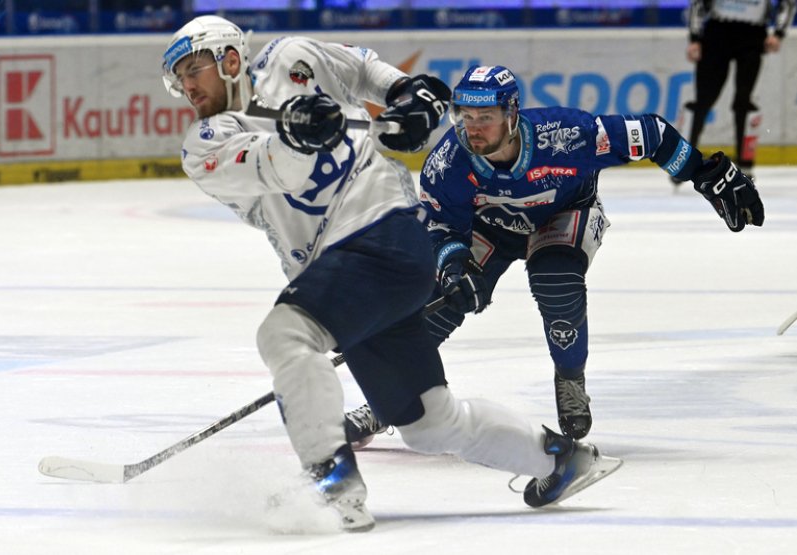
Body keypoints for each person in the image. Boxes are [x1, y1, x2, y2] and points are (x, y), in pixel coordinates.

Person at [162, 16, 623, 532]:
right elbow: (281, 168)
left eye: (192, 69)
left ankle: (331, 484)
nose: (186, 85)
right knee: (429, 423)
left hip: (384, 233)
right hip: (350, 276)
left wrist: (410, 94)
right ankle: (560, 461)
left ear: (229, 59)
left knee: (287, 333)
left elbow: (363, 71)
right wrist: (297, 133)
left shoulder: (294, 55)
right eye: (178, 77)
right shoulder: (203, 145)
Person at [345, 64, 765, 447]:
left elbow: (650, 134)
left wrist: (704, 173)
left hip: (564, 214)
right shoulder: (448, 162)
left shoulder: (565, 134)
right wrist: (454, 269)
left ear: (512, 114)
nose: (473, 129)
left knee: (556, 283)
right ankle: (388, 401)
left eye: (485, 118)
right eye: (465, 117)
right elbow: (441, 227)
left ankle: (570, 377)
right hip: (489, 226)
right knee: (431, 301)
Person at [682, 0, 796, 178]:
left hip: (752, 34)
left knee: (744, 101)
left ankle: (746, 164)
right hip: (717, 31)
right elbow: (698, 3)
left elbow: (787, 3)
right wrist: (695, 38)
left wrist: (779, 33)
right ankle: (683, 159)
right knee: (704, 99)